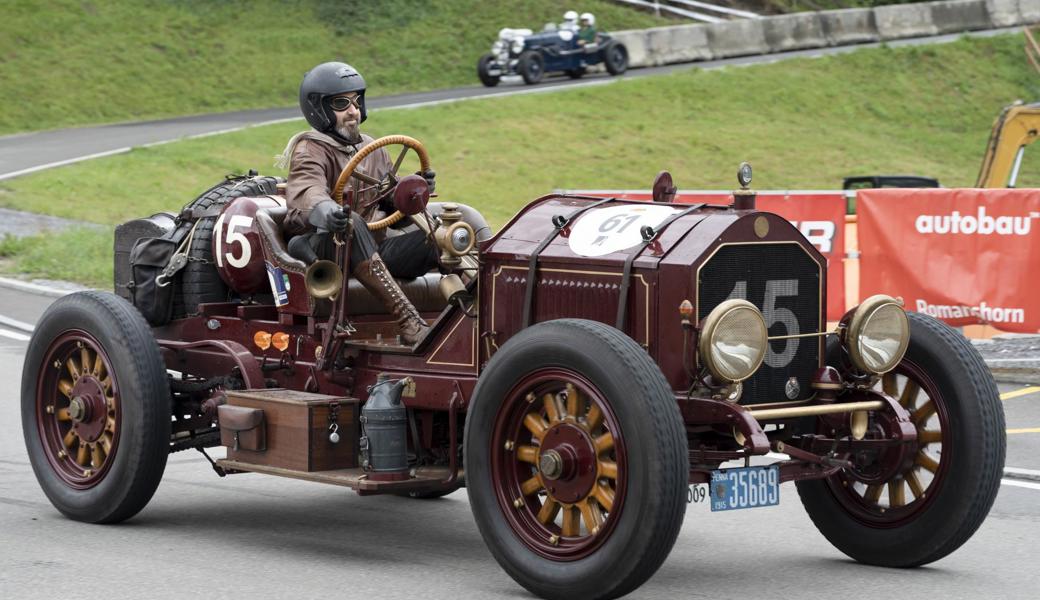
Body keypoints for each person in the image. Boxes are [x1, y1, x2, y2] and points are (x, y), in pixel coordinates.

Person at [277, 61, 438, 345]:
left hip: (373, 247)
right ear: (320, 109)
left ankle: (473, 313)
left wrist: (414, 191)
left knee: (444, 236)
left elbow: (392, 208)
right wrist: (326, 210)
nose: (353, 111)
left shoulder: (372, 148)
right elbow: (306, 190)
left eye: (356, 102)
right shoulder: (310, 149)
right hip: (328, 248)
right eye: (342, 104)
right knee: (350, 222)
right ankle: (408, 321)